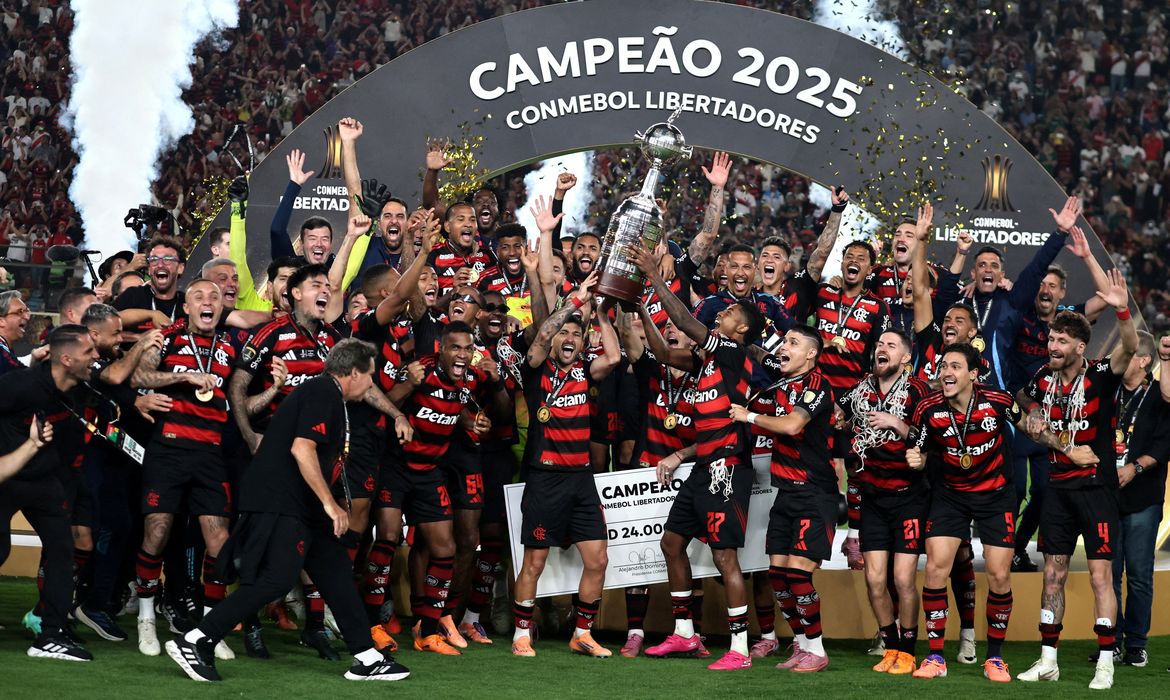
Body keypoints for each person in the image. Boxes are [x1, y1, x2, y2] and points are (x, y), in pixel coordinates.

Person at [165, 339, 410, 683]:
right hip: (281, 502)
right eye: (369, 377)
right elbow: (302, 448)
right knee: (275, 580)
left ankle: (366, 657)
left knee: (337, 572)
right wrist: (330, 503)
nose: (372, 385)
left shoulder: (331, 397)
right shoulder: (323, 391)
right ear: (353, 373)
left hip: (304, 507)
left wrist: (328, 505)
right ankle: (196, 641)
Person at [632, 243, 765, 671]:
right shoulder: (707, 361)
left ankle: (740, 649)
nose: (722, 313)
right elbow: (666, 354)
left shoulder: (734, 354)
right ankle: (685, 634)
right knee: (671, 542)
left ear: (741, 330)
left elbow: (687, 322)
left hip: (728, 468)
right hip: (703, 467)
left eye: (729, 315)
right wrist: (643, 309)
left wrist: (654, 276)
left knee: (726, 558)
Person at [907, 344, 1072, 683]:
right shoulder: (927, 407)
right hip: (950, 495)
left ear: (972, 373)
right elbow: (920, 451)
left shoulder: (997, 400)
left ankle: (995, 658)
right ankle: (936, 655)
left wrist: (1068, 449)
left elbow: (1030, 428)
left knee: (998, 575)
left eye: (955, 366)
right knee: (937, 568)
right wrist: (917, 459)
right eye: (943, 366)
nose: (947, 372)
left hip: (996, 496)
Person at [1015, 278, 1136, 691]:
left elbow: (1131, 349)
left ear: (1080, 348)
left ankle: (1106, 662)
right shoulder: (1042, 382)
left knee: (1102, 577)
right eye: (1051, 338)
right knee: (1053, 575)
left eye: (1062, 340)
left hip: (1097, 491)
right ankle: (1048, 659)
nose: (1052, 345)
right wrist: (1064, 447)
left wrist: (1121, 311)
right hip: (1058, 491)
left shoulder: (1100, 376)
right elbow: (1024, 413)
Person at [510, 273, 620, 658]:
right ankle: (521, 633)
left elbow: (616, 357)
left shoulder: (585, 371)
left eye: (576, 334)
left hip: (581, 479)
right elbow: (540, 338)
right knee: (535, 561)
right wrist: (574, 302)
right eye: (564, 334)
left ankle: (583, 633)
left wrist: (601, 315)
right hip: (545, 478)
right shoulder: (536, 370)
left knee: (598, 558)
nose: (569, 339)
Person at [128, 279, 237, 660]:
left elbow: (237, 393)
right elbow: (140, 377)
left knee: (218, 541)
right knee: (156, 533)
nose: (208, 302)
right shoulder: (167, 338)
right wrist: (184, 376)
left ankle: (210, 629)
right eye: (198, 297)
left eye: (214, 297)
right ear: (186, 306)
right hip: (169, 449)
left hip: (211, 453)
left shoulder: (230, 344)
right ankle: (145, 616)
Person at [730, 325, 836, 673]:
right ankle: (802, 645)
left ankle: (817, 651)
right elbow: (762, 363)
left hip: (815, 494)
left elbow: (792, 426)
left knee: (798, 575)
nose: (784, 347)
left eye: (793, 343)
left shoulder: (817, 385)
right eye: (784, 341)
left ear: (811, 354)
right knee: (777, 574)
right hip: (786, 494)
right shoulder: (782, 384)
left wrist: (749, 416)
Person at [0, 325, 98, 661]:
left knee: (62, 550)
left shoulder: (80, 387)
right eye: (89, 352)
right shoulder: (20, 385)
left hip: (44, 480)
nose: (96, 357)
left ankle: (50, 635)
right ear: (67, 359)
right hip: (5, 477)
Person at [836, 329, 930, 674]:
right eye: (879, 345)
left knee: (903, 580)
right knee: (875, 580)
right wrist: (840, 422)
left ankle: (907, 650)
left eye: (890, 345)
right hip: (873, 497)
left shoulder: (919, 391)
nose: (881, 349)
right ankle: (890, 648)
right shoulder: (862, 388)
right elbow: (839, 413)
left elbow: (930, 437)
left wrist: (897, 424)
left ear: (905, 357)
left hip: (909, 498)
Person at [1108, 332, 1169, 668]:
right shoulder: (1110, 390)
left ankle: (1136, 644)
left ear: (1144, 360)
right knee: (1109, 572)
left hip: (1143, 496)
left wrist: (1136, 466)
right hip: (1108, 493)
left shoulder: (1160, 397)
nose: (1120, 355)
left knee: (1139, 573)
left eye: (1127, 352)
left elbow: (1165, 443)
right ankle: (1111, 641)